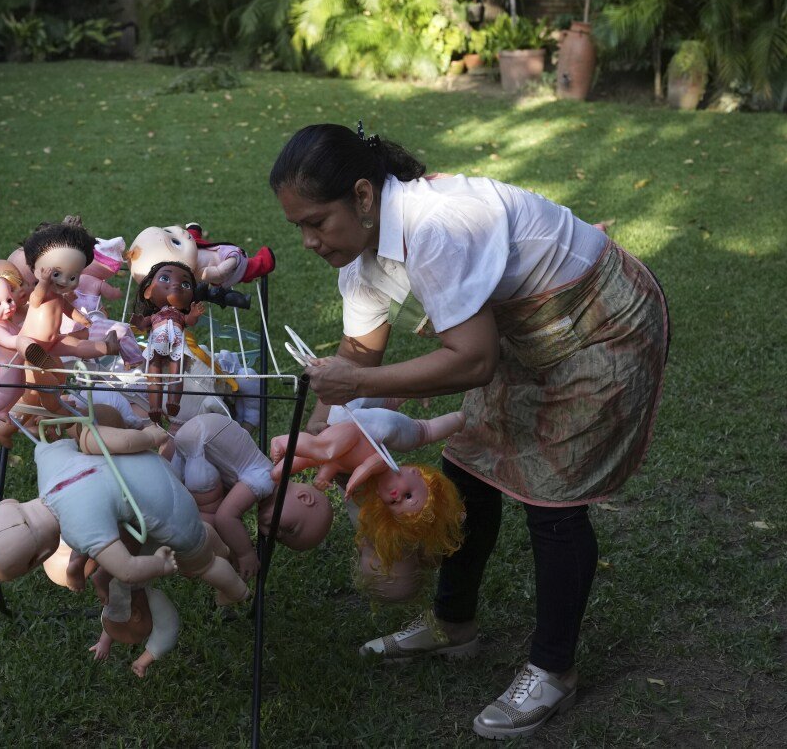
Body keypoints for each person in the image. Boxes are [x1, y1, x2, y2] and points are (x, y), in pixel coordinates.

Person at [269, 123, 669, 740]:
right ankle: (454, 626)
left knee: (553, 501)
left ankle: (553, 670)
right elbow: (359, 360)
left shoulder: (436, 227)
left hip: (598, 321)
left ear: (364, 196)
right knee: (471, 469)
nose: (307, 240)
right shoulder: (362, 258)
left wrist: (354, 388)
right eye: (299, 225)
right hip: (524, 330)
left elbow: (473, 361)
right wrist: (311, 440)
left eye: (316, 221)